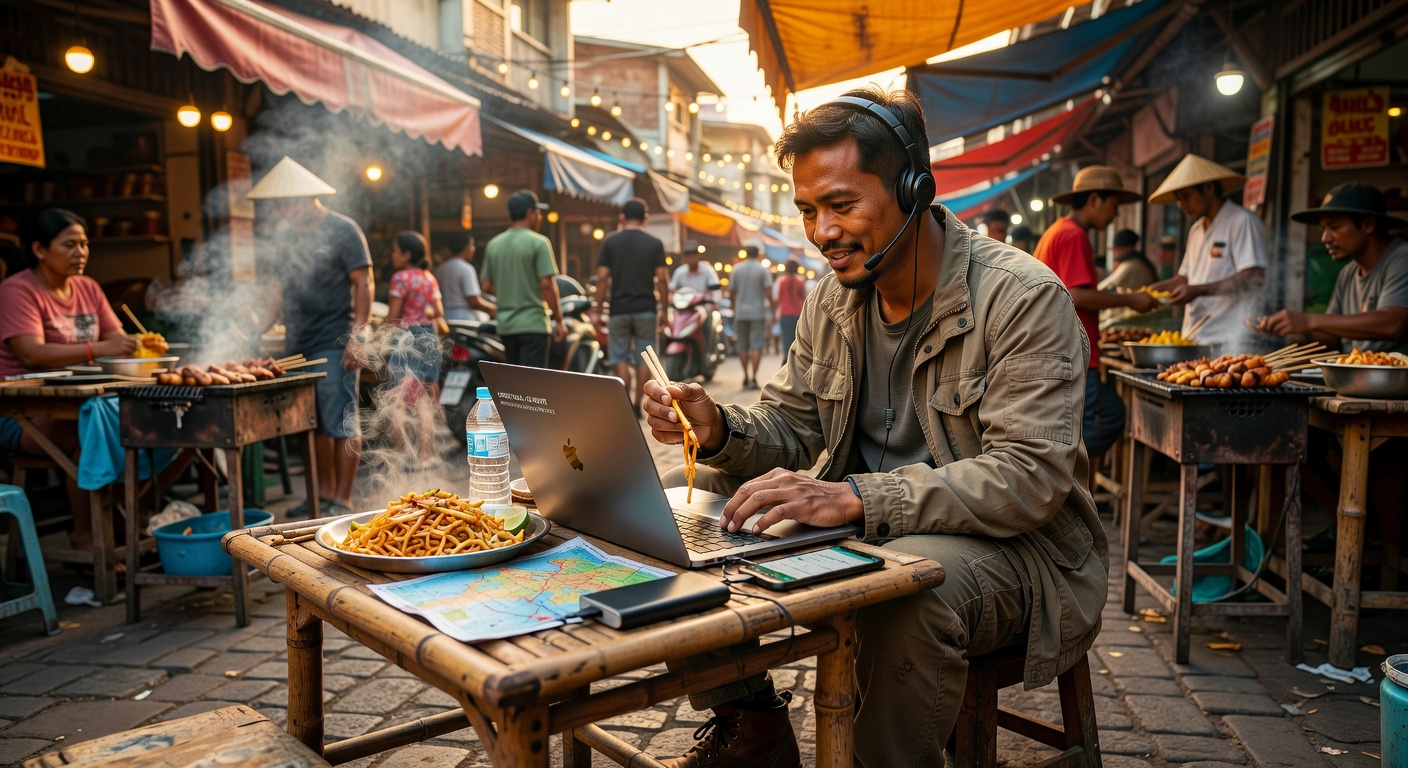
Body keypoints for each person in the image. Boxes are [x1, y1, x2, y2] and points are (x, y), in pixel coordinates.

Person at [643, 87, 1105, 768]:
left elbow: (1028, 480)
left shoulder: (1022, 299)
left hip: (1018, 551)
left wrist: (860, 498)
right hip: (871, 522)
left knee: (903, 596)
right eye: (807, 210)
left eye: (841, 204)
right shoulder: (833, 298)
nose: (822, 232)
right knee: (683, 492)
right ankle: (752, 720)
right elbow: (794, 425)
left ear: (914, 189)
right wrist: (719, 430)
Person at [0, 208, 138, 551]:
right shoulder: (17, 291)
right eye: (70, 244)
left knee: (156, 424)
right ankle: (85, 533)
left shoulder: (88, 288)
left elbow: (118, 341)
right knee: (95, 428)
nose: (81, 253)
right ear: (39, 249)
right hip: (21, 414)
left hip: (81, 401)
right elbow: (31, 353)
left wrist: (134, 346)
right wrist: (102, 347)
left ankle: (127, 512)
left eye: (85, 244)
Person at [250, 157, 372, 518]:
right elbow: (277, 290)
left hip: (334, 340)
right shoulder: (286, 237)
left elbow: (363, 282)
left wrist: (359, 335)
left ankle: (343, 499)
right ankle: (321, 495)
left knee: (342, 420)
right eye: (279, 206)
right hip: (298, 343)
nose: (284, 212)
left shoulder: (343, 229)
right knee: (313, 422)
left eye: (287, 204)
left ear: (308, 198)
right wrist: (257, 330)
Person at [1035, 167, 1159, 474]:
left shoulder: (1059, 231)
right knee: (1084, 429)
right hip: (1070, 350)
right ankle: (1060, 485)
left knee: (1110, 413)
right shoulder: (1073, 235)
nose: (1115, 216)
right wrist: (1131, 299)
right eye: (1114, 206)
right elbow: (1076, 295)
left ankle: (1060, 480)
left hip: (1063, 348)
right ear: (1094, 200)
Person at [1259, 183, 1408, 353]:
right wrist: (1290, 331)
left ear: (1368, 225)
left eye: (1334, 227)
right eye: (1323, 230)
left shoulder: (1402, 258)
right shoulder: (1348, 273)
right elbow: (1330, 338)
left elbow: (1393, 324)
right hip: (1354, 377)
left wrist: (1308, 321)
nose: (1325, 238)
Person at [1147, 154, 1267, 344]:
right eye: (1178, 199)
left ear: (1209, 188)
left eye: (1186, 196)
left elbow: (1254, 275)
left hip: (1231, 339)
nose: (1182, 205)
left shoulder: (1241, 221)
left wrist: (1198, 290)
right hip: (1195, 337)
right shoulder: (1195, 230)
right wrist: (1152, 291)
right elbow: (1185, 278)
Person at [594, 198, 668, 413]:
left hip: (619, 309)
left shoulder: (610, 242)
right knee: (645, 356)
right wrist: (665, 309)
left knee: (620, 357)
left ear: (622, 217)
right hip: (646, 308)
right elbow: (662, 279)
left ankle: (625, 404)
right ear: (645, 218)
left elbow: (601, 277)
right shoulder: (654, 243)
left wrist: (598, 310)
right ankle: (638, 403)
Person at [481, 190, 565, 367]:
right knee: (531, 383)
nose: (539, 216)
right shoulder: (539, 242)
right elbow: (547, 285)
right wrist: (559, 320)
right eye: (538, 212)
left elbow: (487, 286)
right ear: (529, 212)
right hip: (533, 323)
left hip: (506, 326)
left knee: (514, 381)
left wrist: (509, 289)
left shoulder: (494, 244)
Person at [1098, 229, 1160, 328]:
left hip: (1136, 318)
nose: (1114, 252)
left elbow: (1102, 288)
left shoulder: (1133, 265)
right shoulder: (1135, 262)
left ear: (1129, 247)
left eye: (1117, 248)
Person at [728, 245, 771, 389]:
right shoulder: (762, 269)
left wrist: (734, 307)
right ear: (758, 254)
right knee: (757, 345)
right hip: (758, 312)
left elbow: (731, 292)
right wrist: (773, 308)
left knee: (743, 346)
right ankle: (754, 378)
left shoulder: (736, 269)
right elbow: (768, 292)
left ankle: (745, 376)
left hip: (741, 313)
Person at [435, 231, 495, 322]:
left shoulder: (440, 269)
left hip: (444, 318)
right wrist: (494, 308)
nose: (473, 249)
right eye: (472, 245)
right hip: (465, 319)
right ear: (467, 247)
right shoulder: (466, 268)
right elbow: (473, 301)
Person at [774, 258, 807, 358]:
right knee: (797, 339)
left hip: (785, 314)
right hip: (798, 313)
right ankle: (795, 360)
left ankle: (786, 359)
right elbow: (804, 298)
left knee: (786, 340)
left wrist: (774, 314)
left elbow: (778, 299)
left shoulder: (781, 281)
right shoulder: (801, 281)